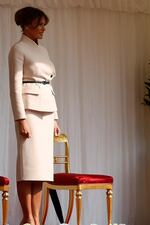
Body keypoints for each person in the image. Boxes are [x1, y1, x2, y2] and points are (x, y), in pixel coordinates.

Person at [8, 6, 60, 225]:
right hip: (29, 113)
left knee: (41, 170)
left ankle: (37, 219)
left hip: (46, 112)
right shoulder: (18, 49)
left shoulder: (44, 51)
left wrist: (56, 117)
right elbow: (14, 87)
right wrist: (20, 118)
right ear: (26, 25)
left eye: (44, 25)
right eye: (39, 25)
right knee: (27, 168)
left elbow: (48, 85)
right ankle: (28, 217)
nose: (43, 29)